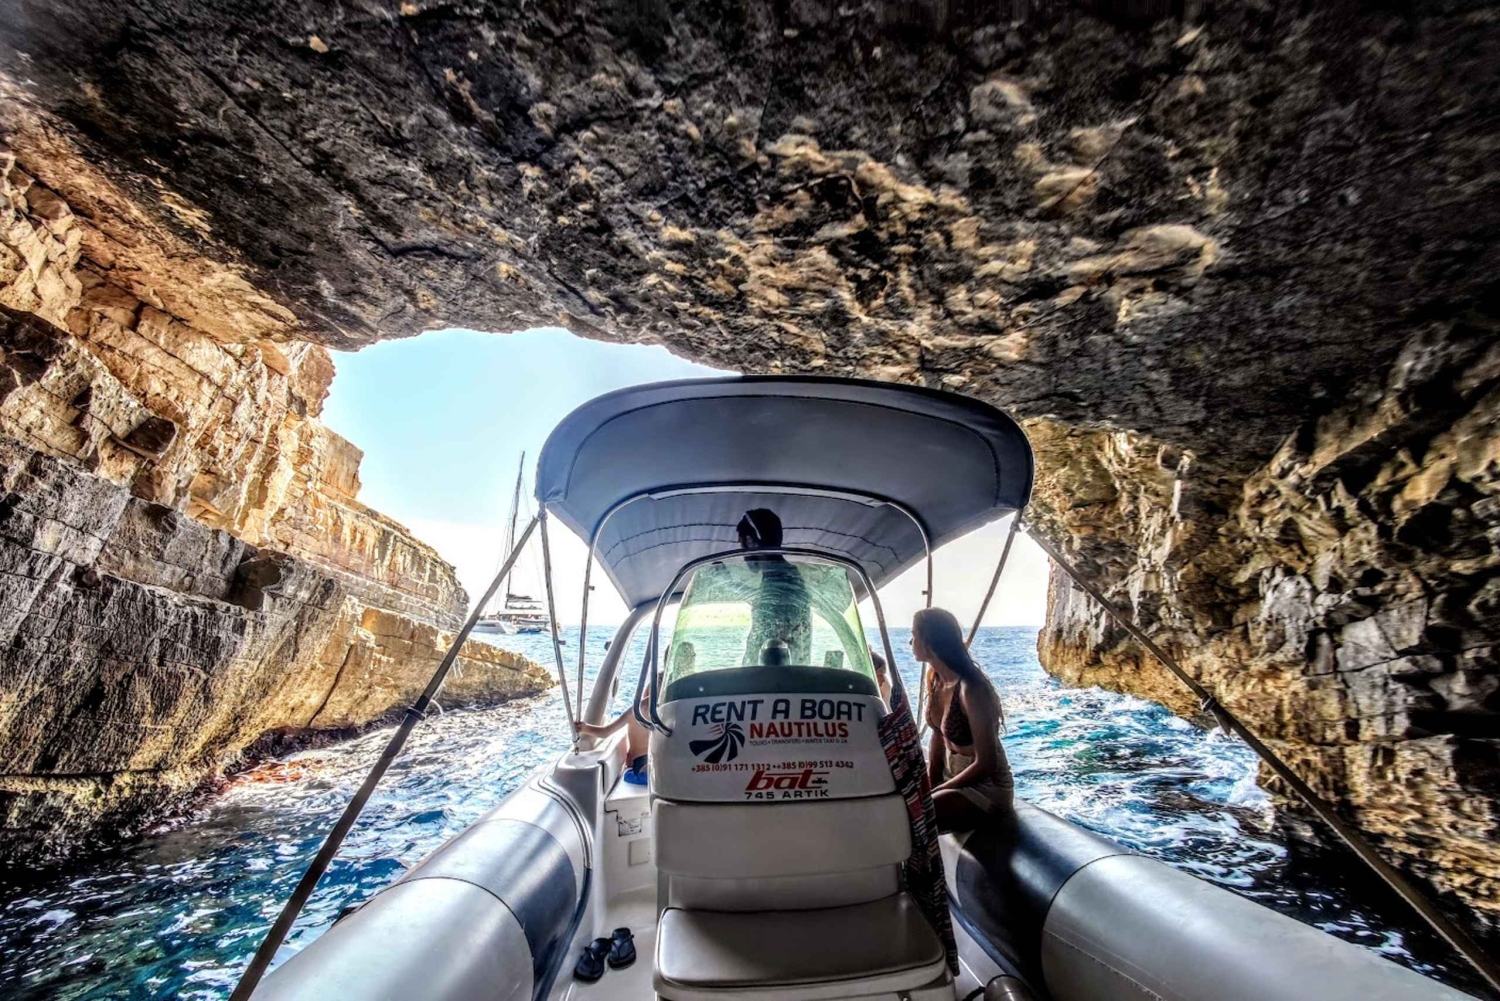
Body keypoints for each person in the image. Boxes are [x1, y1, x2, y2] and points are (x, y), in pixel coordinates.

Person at [913, 607, 1014, 830]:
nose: (910, 642)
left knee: (918, 814)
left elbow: (986, 763)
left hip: (985, 786)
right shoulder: (936, 679)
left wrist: (938, 791)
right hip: (953, 774)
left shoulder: (972, 689)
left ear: (929, 641)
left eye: (914, 635)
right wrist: (932, 783)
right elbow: (937, 738)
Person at [577, 642, 693, 785]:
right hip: (645, 763)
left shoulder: (641, 709)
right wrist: (584, 728)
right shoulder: (648, 711)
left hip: (655, 761)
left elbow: (605, 732)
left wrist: (584, 728)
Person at [736, 509, 811, 665]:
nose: (742, 553)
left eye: (741, 543)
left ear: (750, 540)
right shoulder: (787, 578)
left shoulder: (782, 583)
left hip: (772, 683)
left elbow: (760, 643)